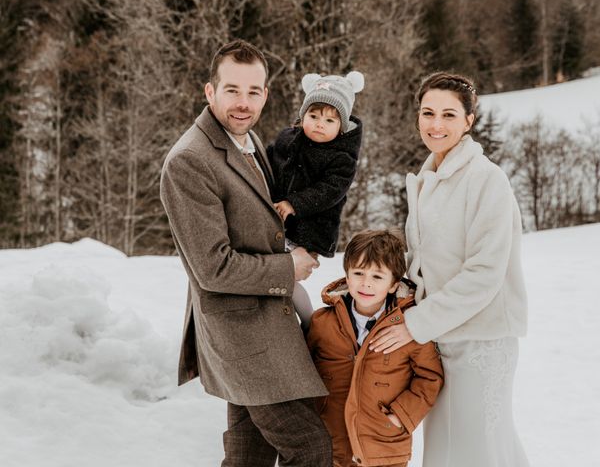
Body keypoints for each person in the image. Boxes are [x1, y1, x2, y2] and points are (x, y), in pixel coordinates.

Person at [159, 40, 332, 467]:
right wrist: (288, 267)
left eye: (254, 91)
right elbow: (213, 267)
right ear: (209, 91)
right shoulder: (189, 161)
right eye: (232, 90)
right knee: (310, 449)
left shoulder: (246, 139)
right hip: (242, 338)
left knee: (249, 456)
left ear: (266, 95)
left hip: (264, 328)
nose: (243, 103)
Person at [368, 72, 529, 467]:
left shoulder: (486, 180)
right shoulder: (429, 178)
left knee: (476, 450)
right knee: (460, 449)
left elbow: (484, 274)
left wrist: (416, 324)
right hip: (440, 340)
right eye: (428, 113)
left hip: (480, 340)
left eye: (448, 115)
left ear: (469, 121)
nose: (436, 125)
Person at [306, 229, 444, 467]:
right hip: (333, 444)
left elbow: (430, 377)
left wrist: (400, 416)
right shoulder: (322, 323)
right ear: (347, 277)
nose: (366, 283)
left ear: (393, 285)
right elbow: (303, 369)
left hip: (384, 445)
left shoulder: (408, 328)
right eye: (358, 273)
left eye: (377, 277)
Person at [267, 71, 364, 328]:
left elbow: (329, 191)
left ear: (341, 127)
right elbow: (271, 157)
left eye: (330, 120)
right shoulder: (289, 139)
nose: (320, 124)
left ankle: (309, 322)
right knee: (276, 274)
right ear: (303, 116)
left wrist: (293, 203)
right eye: (314, 116)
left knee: (289, 276)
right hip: (282, 222)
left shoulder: (341, 157)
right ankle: (282, 319)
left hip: (312, 228)